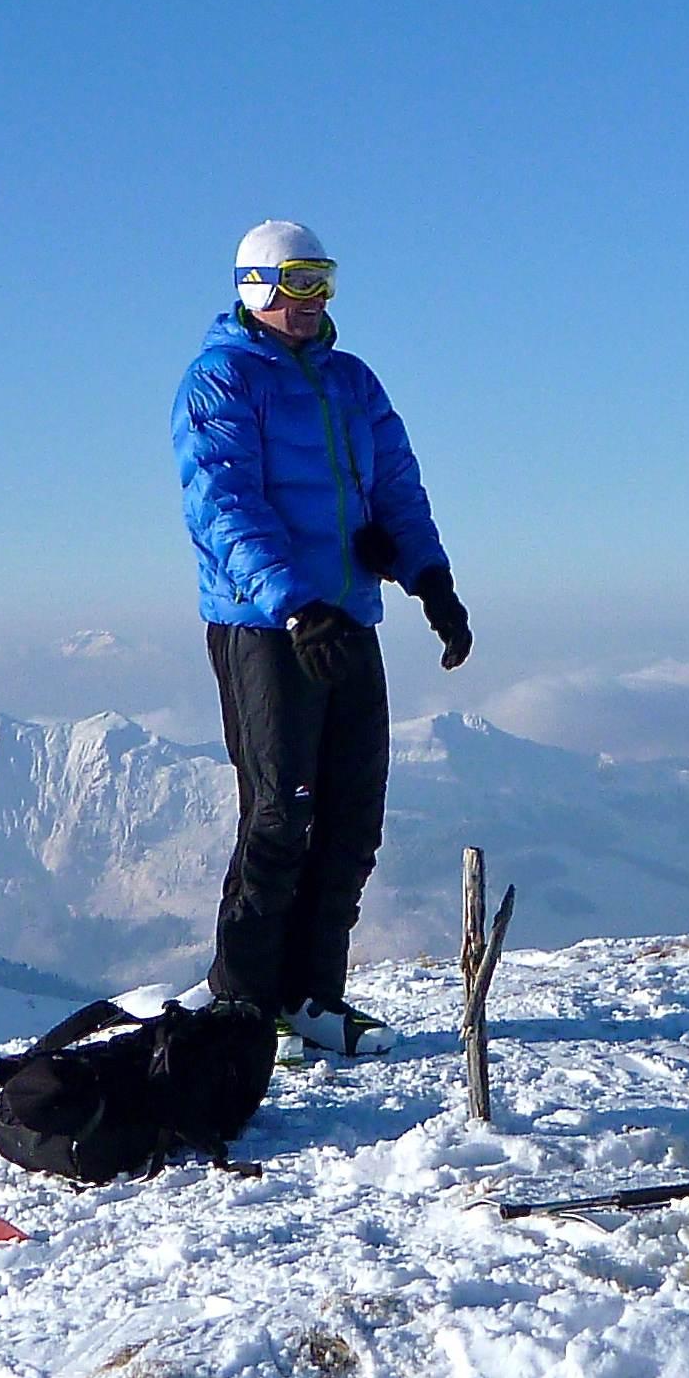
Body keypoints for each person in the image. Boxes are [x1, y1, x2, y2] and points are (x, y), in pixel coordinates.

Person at [173, 219, 471, 1060]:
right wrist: (296, 605)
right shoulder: (221, 379)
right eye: (297, 281)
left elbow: (396, 485)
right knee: (280, 817)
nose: (313, 300)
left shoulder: (351, 380)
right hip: (266, 628)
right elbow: (224, 505)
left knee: (352, 815)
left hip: (346, 620)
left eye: (323, 281)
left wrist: (429, 578)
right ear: (255, 287)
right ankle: (242, 1004)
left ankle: (312, 996)